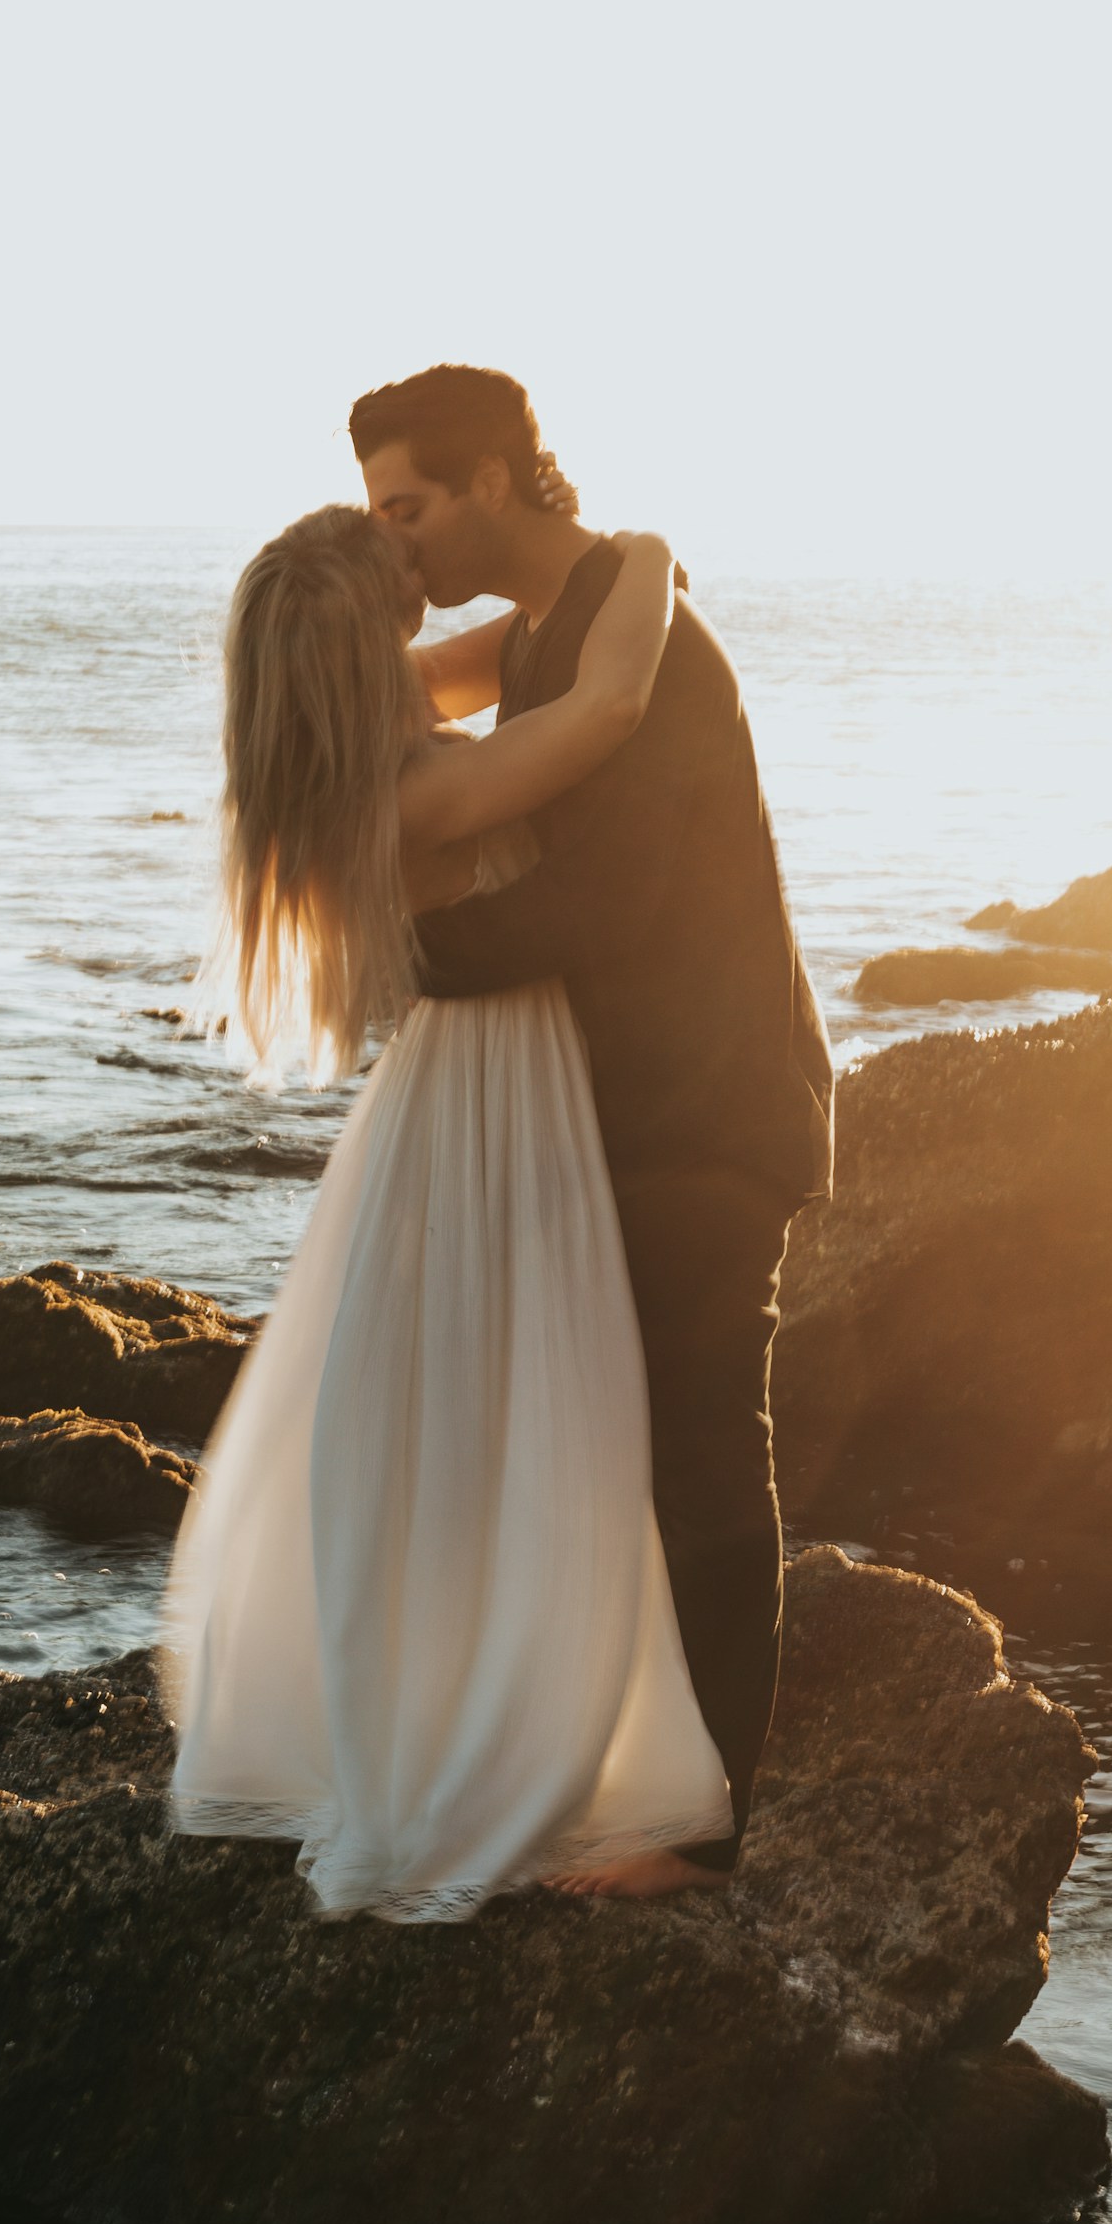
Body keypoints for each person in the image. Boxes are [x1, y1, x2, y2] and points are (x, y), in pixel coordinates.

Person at [159, 493, 736, 1921]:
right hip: (496, 1097)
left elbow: (499, 653)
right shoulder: (418, 790)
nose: (420, 568)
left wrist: (528, 590)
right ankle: (484, 1741)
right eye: (396, 567)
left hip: (461, 1093)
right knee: (520, 1409)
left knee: (441, 1406)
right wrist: (648, 555)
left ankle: (466, 1695)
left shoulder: (347, 748)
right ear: (370, 635)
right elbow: (603, 705)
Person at [358, 365, 834, 1893]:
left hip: (707, 1107)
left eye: (408, 509)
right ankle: (602, 1779)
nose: (398, 547)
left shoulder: (653, 648)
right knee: (598, 1458)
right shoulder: (566, 626)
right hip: (619, 1105)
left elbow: (605, 902)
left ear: (494, 478)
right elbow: (376, 696)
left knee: (700, 1454)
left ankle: (707, 1837)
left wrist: (404, 957)